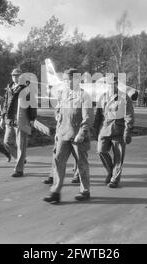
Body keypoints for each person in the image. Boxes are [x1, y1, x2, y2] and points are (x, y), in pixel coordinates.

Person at [43, 68, 92, 204]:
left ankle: (85, 191)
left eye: (68, 79)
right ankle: (56, 192)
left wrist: (82, 133)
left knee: (82, 164)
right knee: (59, 161)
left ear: (76, 79)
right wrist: (58, 116)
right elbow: (58, 109)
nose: (66, 82)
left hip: (77, 137)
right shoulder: (63, 94)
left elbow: (87, 118)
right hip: (63, 134)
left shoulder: (84, 96)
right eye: (65, 79)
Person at [93, 75, 134, 188]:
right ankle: (110, 171)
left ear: (117, 84)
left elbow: (129, 116)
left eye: (113, 83)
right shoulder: (102, 97)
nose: (111, 86)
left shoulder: (124, 98)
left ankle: (114, 179)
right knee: (101, 151)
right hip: (104, 129)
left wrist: (127, 132)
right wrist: (95, 130)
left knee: (118, 157)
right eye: (109, 84)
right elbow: (98, 115)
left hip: (118, 131)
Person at [1, 68, 37, 177]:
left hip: (22, 119)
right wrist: (3, 117)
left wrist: (32, 119)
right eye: (13, 75)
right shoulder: (9, 88)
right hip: (10, 120)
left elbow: (32, 104)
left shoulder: (27, 88)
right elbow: (5, 104)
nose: (15, 77)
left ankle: (19, 169)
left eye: (17, 75)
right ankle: (21, 158)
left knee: (21, 145)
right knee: (7, 142)